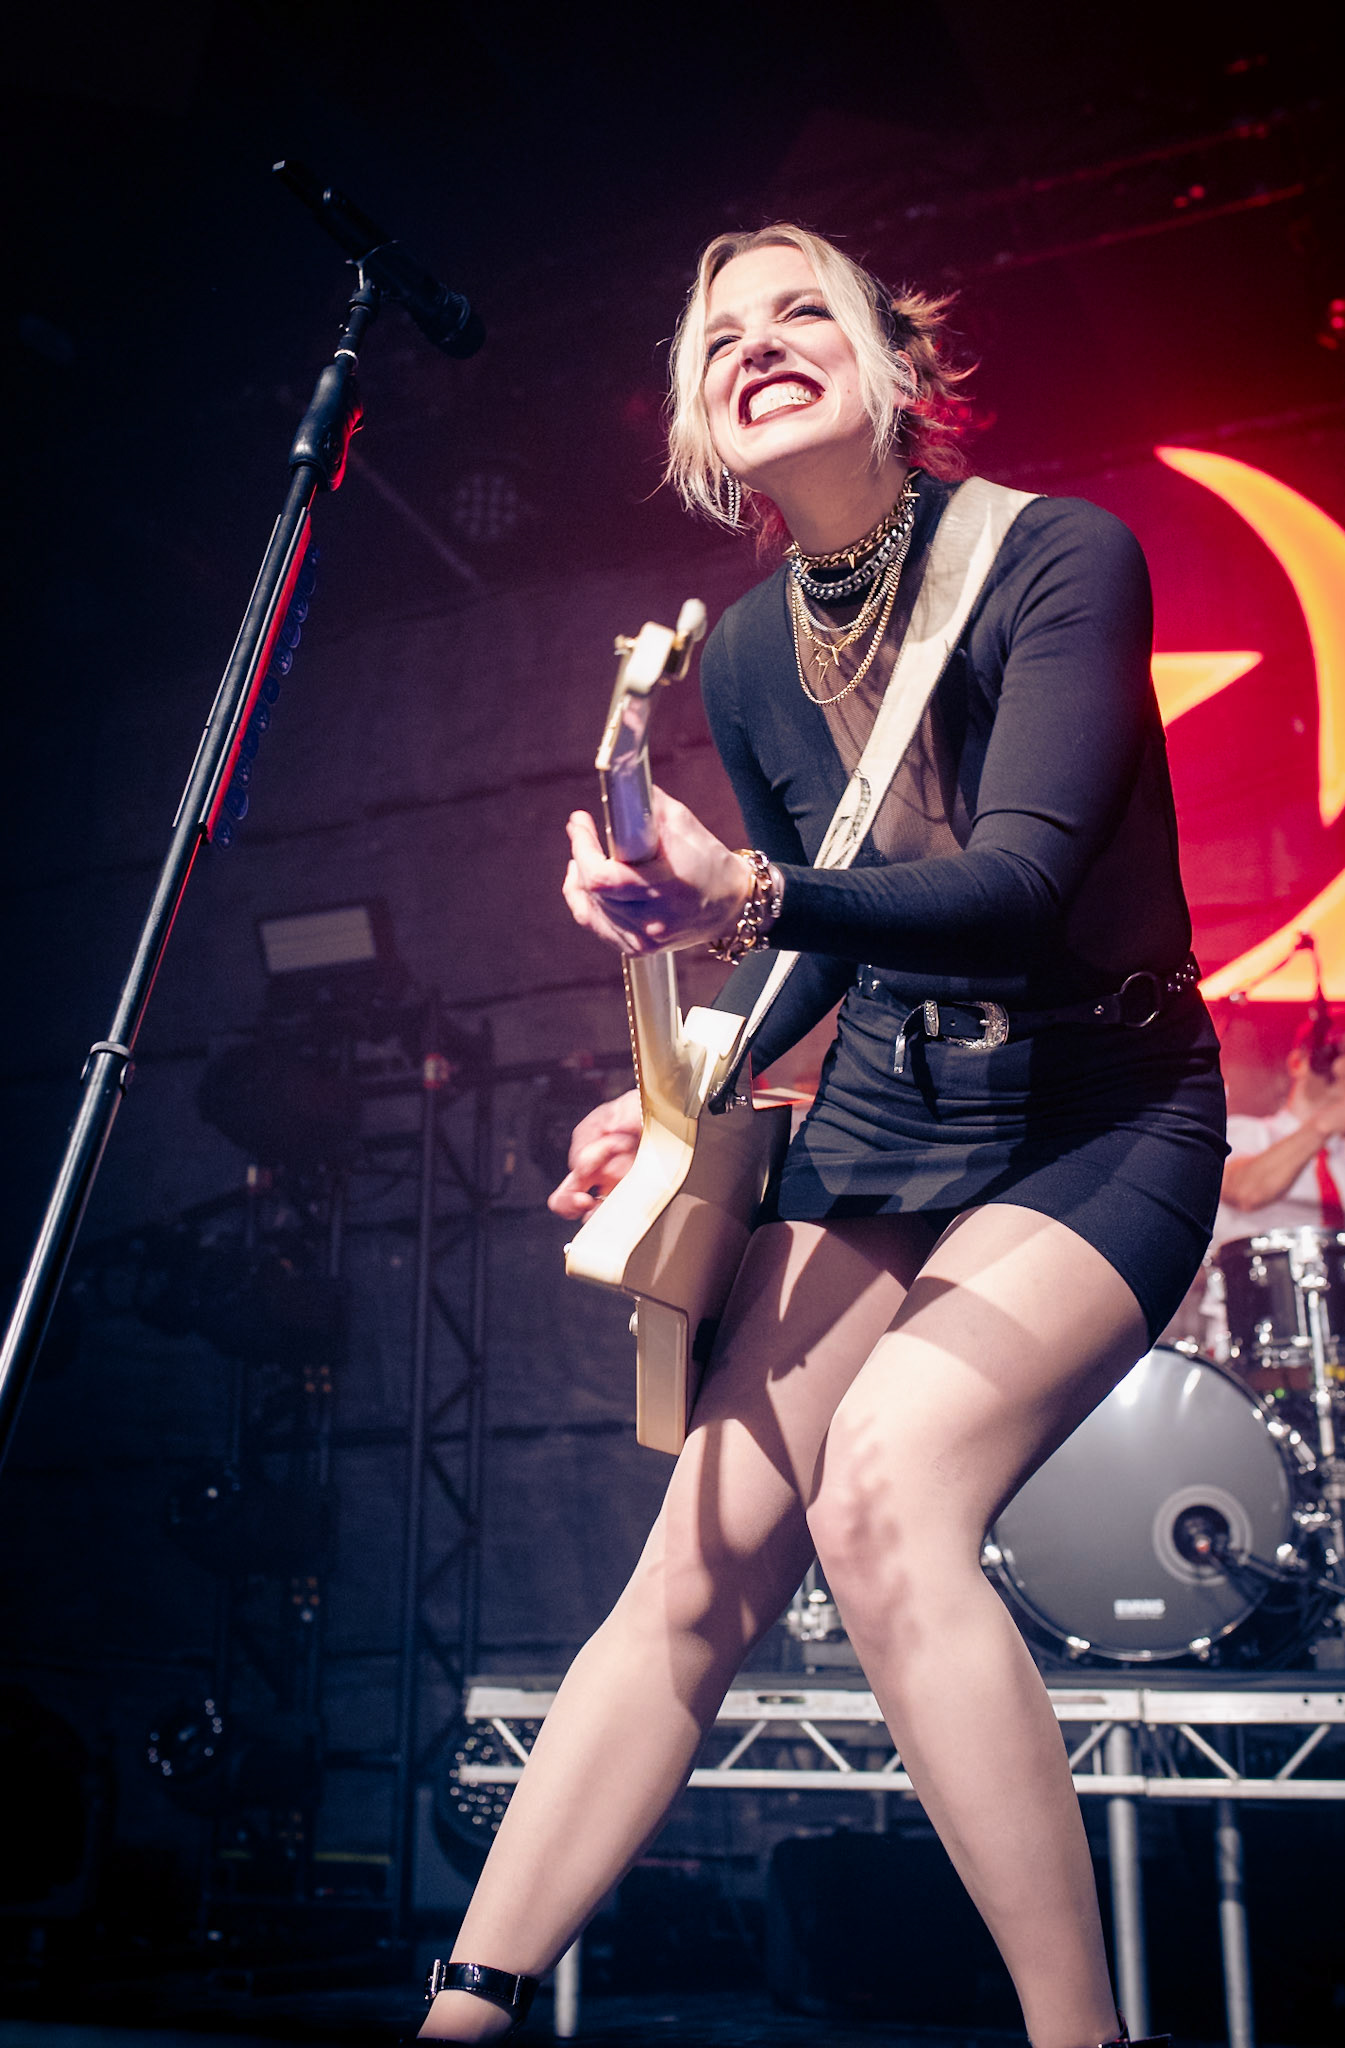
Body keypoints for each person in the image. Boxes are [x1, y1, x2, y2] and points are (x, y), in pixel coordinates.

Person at [414, 225, 1226, 2048]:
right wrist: (685, 1085)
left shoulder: (1057, 558)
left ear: (896, 366)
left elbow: (1011, 890)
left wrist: (746, 887)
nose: (764, 343)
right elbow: (814, 949)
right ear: (704, 429)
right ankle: (460, 2014)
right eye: (723, 338)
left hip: (1103, 1108)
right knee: (692, 1565)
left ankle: (1078, 2036)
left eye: (807, 315)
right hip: (891, 1113)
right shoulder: (750, 663)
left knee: (882, 1486)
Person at [1219, 1007, 1345, 1234]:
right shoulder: (1245, 1132)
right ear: (1298, 1062)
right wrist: (1322, 1126)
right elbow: (1245, 1191)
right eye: (1341, 1052)